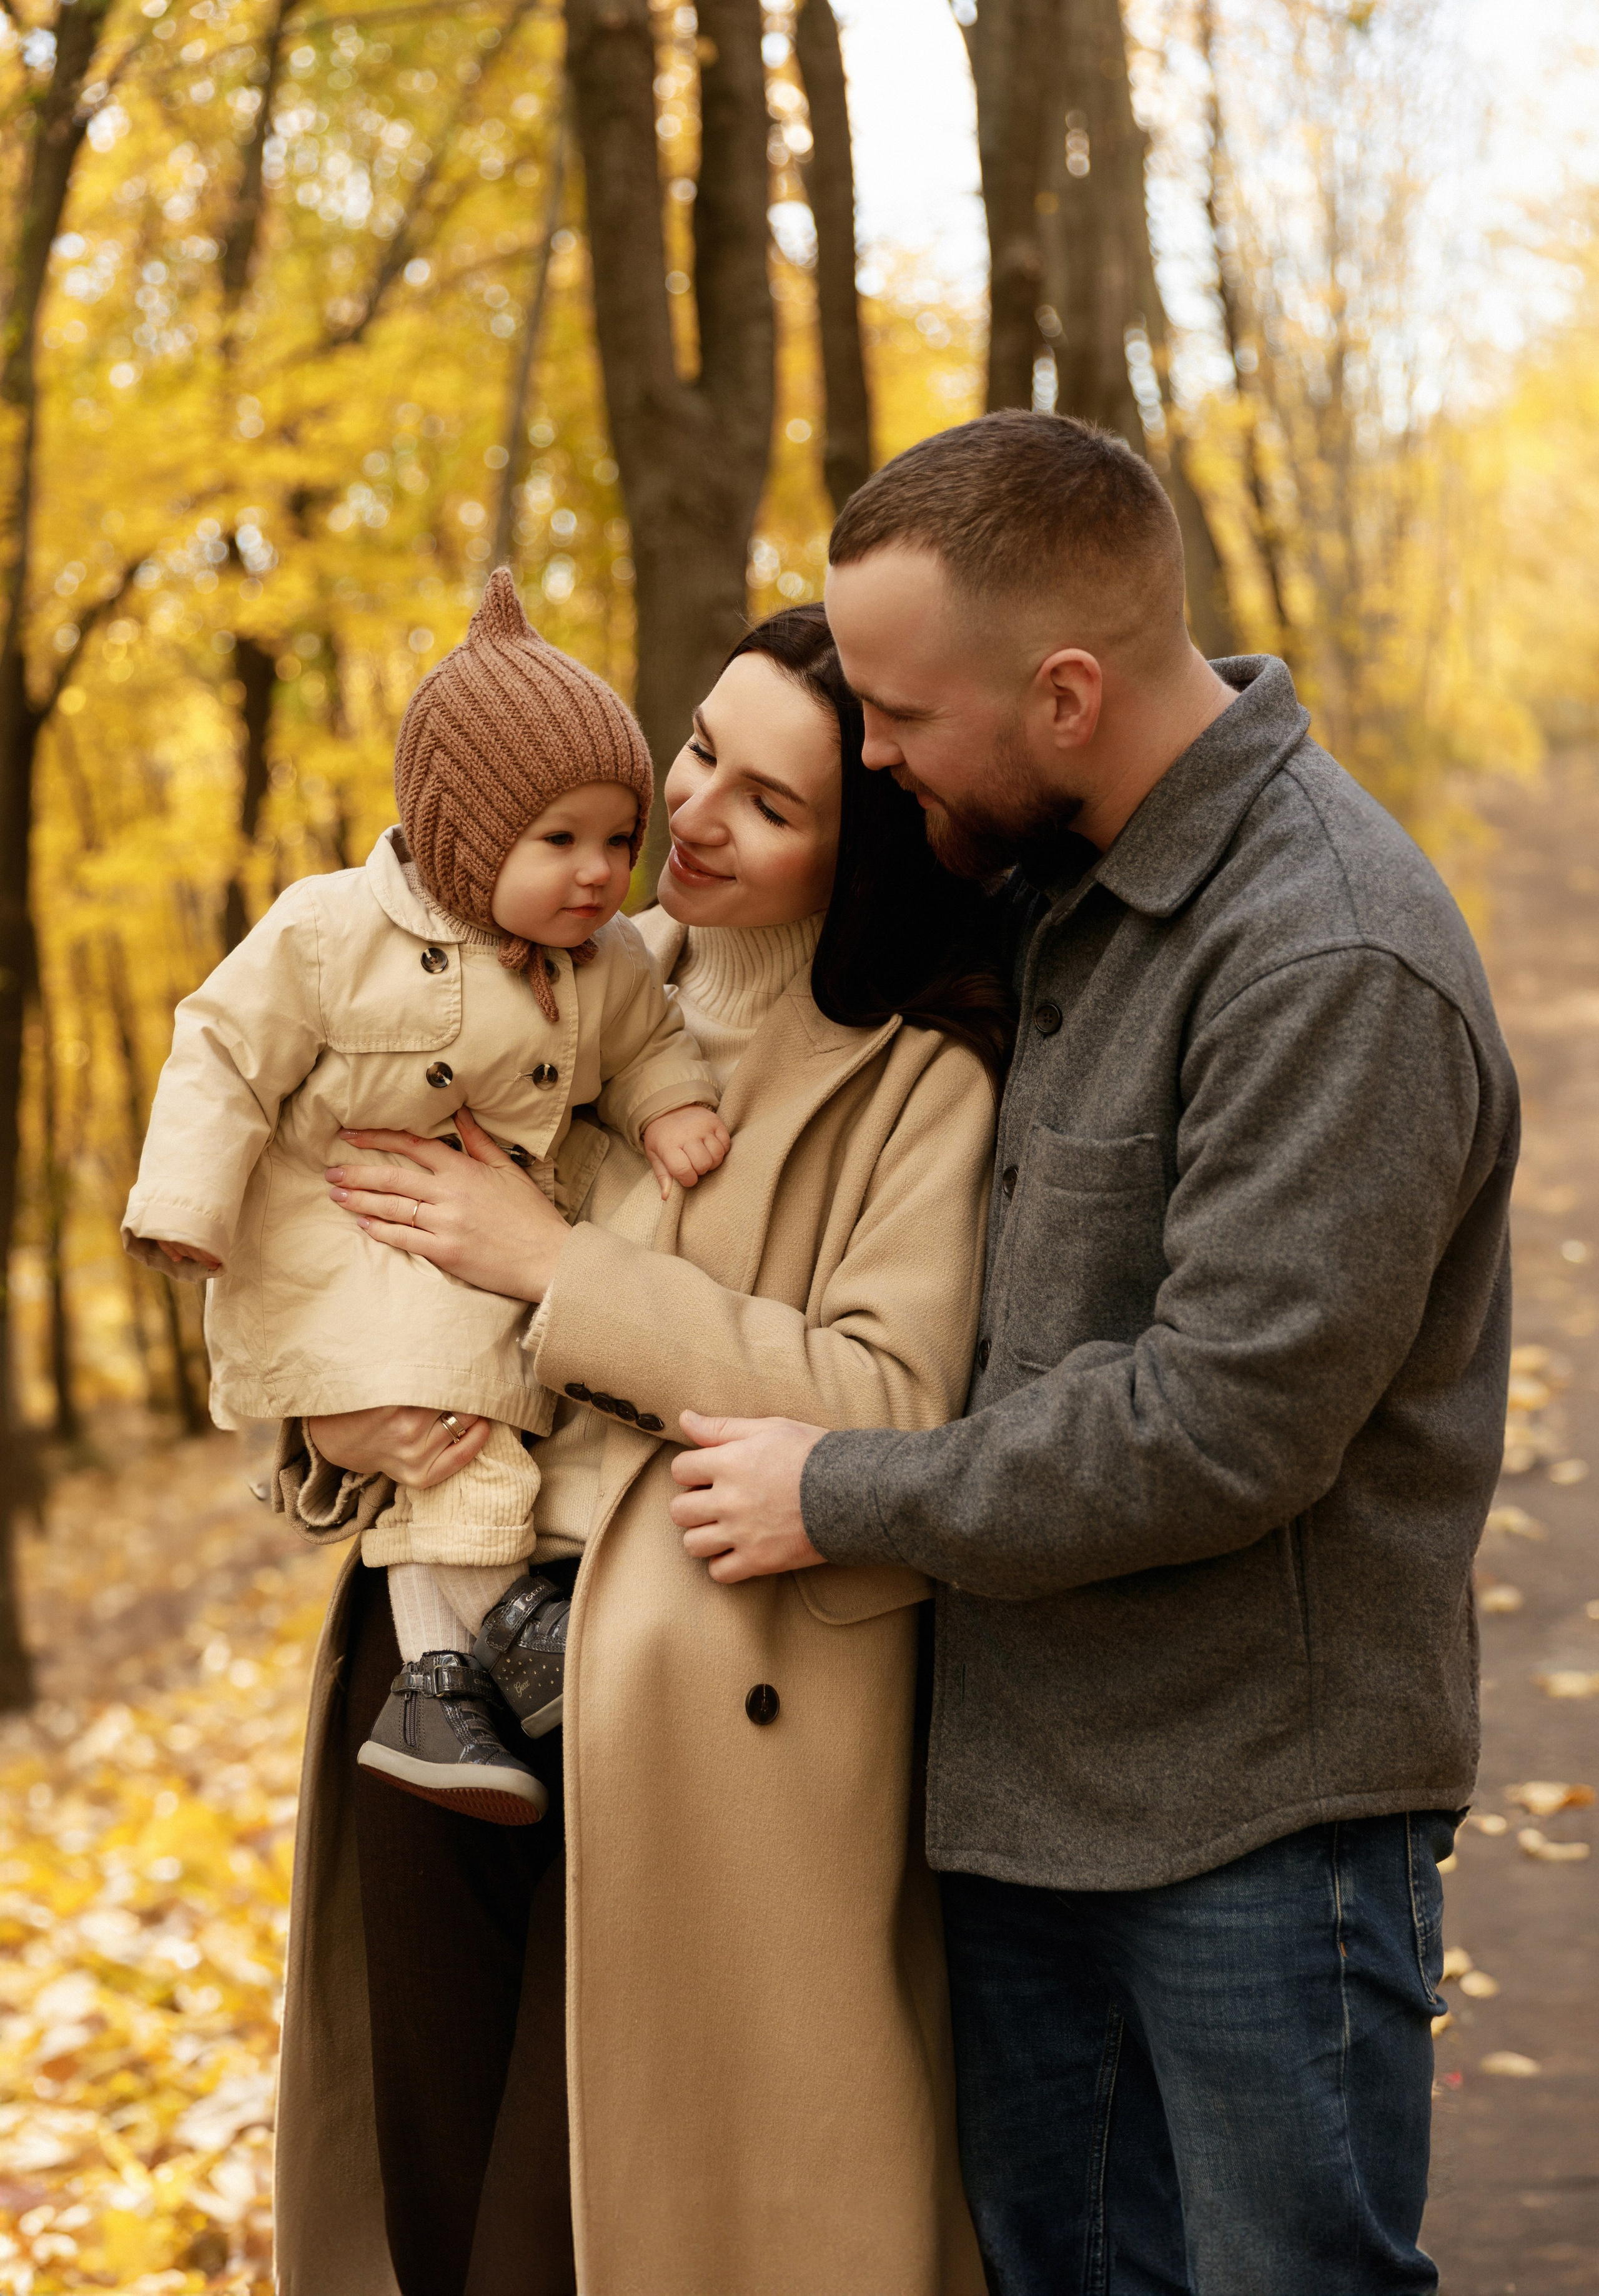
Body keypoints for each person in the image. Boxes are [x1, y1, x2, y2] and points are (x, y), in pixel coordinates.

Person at [665, 413, 1519, 2296]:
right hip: (1018, 1808)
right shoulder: (1044, 876)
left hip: (1258, 1820)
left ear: (1063, 694)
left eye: (899, 713)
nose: (871, 756)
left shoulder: (1328, 952)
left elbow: (1219, 1424)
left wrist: (837, 1490)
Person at [269, 603, 1011, 2295]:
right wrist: (323, 1426)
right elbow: (332, 1238)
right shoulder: (525, 968)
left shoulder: (919, 1078)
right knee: (436, 2209)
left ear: (864, 852)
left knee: (580, 2227)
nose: (692, 813)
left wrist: (555, 1266)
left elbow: (894, 1399)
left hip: (689, 1711)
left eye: (770, 800)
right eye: (698, 750)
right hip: (427, 1658)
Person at [122, 570, 726, 1824]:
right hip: (333, 1238)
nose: (598, 873)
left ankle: (443, 1678)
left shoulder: (607, 962)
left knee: (459, 1426)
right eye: (558, 840)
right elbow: (223, 1049)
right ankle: (497, 1629)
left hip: (472, 1242)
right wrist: (188, 1202)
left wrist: (669, 1106)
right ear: (465, 837)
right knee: (453, 1416)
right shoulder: (331, 931)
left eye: (620, 840)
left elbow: (653, 1040)